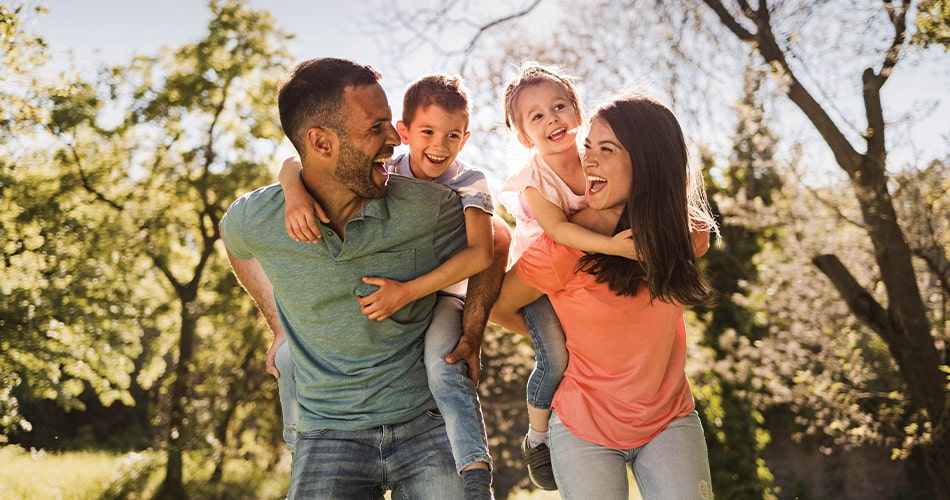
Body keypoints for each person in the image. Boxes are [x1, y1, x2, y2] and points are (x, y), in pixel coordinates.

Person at [222, 58, 496, 499]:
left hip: (423, 426)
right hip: (326, 433)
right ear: (320, 143)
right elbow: (234, 243)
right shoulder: (259, 219)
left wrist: (473, 328)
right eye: (376, 128)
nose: (394, 140)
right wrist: (278, 326)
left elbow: (493, 245)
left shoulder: (431, 207)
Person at [490, 92, 717, 499]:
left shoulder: (688, 235)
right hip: (582, 427)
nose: (587, 160)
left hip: (669, 419)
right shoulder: (562, 249)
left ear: (646, 162)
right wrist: (563, 346)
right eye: (587, 147)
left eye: (605, 149)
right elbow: (499, 308)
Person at [498, 61, 638, 490]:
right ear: (524, 136)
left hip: (579, 271)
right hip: (538, 279)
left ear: (578, 113)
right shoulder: (534, 179)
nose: (552, 119)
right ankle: (538, 437)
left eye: (560, 106)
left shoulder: (594, 156)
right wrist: (616, 245)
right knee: (555, 356)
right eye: (537, 116)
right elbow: (558, 232)